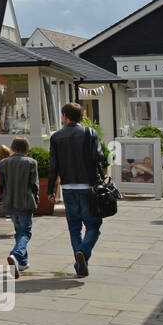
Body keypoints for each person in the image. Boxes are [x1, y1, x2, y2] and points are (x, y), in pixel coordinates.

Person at [47, 102, 104, 277]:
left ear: (65, 116)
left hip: (68, 186)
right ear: (81, 116)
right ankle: (84, 252)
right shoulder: (90, 133)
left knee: (74, 227)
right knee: (94, 225)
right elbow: (99, 156)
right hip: (88, 186)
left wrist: (51, 190)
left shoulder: (56, 136)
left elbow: (53, 166)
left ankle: (81, 264)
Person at [0, 137, 39, 278]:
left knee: (19, 232)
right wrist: (36, 199)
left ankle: (22, 262)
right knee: (26, 233)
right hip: (26, 201)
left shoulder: (3, 163)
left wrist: (5, 197)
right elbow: (34, 185)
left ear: (13, 147)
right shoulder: (31, 162)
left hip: (10, 202)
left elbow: (0, 184)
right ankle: (15, 255)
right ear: (26, 148)